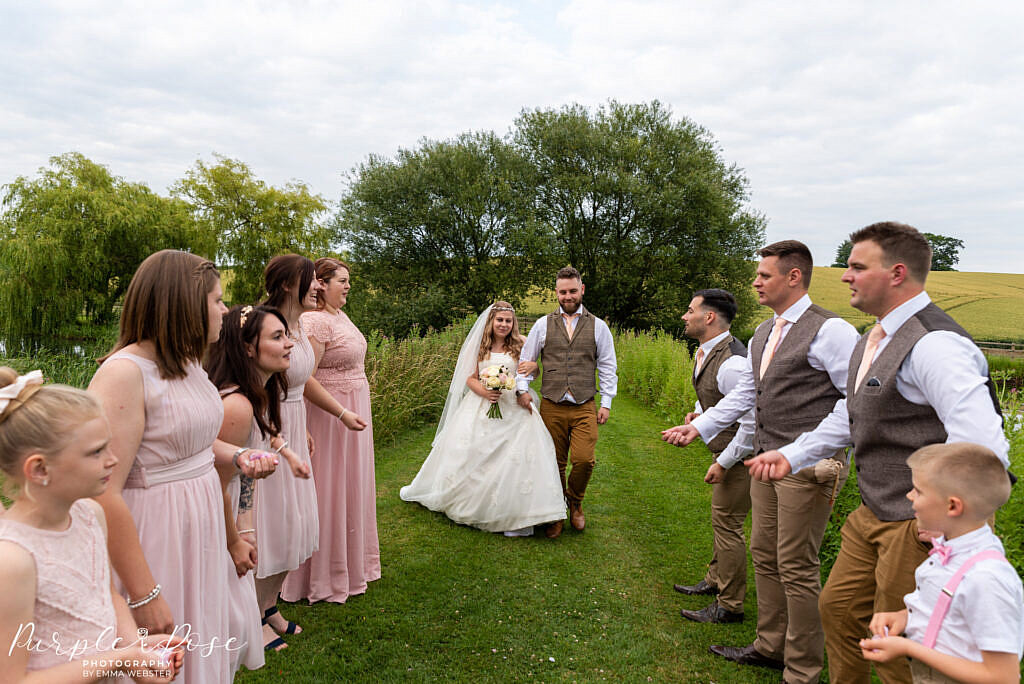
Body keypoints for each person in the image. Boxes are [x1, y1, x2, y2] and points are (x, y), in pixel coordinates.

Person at [746, 222, 1010, 683]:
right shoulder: (875, 337)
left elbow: (982, 445)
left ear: (896, 273)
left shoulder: (935, 344)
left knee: (904, 647)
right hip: (873, 509)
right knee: (841, 612)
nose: (845, 275)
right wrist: (794, 454)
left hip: (918, 522)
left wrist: (953, 524)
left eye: (856, 267)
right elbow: (851, 415)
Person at [664, 240, 858, 684]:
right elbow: (748, 394)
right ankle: (771, 647)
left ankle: (803, 669)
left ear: (794, 277)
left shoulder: (832, 331)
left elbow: (852, 402)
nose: (755, 282)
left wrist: (799, 452)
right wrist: (701, 426)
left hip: (809, 466)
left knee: (796, 564)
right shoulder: (763, 334)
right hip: (766, 462)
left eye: (764, 275)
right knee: (764, 554)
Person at [89, 249, 276, 684]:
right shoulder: (124, 374)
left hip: (203, 526)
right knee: (163, 660)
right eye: (216, 299)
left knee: (203, 648)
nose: (225, 309)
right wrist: (144, 593)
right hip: (155, 534)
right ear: (183, 304)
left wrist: (236, 458)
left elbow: (190, 449)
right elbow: (101, 490)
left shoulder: (188, 364)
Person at [0, 368, 184, 683]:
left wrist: (135, 651)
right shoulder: (13, 561)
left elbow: (108, 595)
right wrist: (120, 658)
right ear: (40, 469)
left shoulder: (89, 515)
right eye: (96, 451)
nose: (113, 460)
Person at [255, 254, 366, 637]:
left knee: (297, 525)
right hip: (270, 432)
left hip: (294, 426)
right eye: (312, 280)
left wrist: (339, 413)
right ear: (289, 286)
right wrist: (279, 433)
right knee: (272, 523)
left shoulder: (298, 326)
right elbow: (256, 387)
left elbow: (302, 380)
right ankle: (253, 618)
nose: (319, 286)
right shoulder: (263, 326)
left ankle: (269, 608)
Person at [859, 443, 1022, 683]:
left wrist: (908, 648)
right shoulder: (948, 550)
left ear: (953, 506)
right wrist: (905, 617)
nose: (909, 496)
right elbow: (952, 610)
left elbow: (1002, 676)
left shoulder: (986, 579)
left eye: (918, 491)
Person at [400, 302, 566, 535]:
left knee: (521, 456)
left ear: (513, 323)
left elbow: (533, 372)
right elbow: (470, 378)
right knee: (475, 452)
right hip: (482, 403)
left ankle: (521, 512)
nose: (504, 325)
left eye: (508, 321)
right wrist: (486, 392)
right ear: (491, 321)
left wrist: (531, 371)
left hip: (514, 404)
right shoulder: (480, 346)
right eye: (500, 320)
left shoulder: (522, 343)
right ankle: (473, 502)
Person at [207, 305, 312, 660]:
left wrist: (247, 524)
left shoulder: (260, 393)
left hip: (235, 508)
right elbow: (218, 486)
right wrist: (236, 536)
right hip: (218, 517)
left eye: (287, 335)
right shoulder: (235, 406)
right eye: (277, 337)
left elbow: (248, 462)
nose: (289, 345)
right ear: (248, 348)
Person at [282, 258, 381, 604]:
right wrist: (340, 413)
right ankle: (321, 574)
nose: (349, 286)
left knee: (352, 484)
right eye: (343, 280)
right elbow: (304, 375)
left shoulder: (340, 316)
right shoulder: (314, 321)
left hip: (353, 405)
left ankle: (353, 565)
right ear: (322, 284)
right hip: (329, 414)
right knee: (329, 486)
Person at [670, 289, 754, 625]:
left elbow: (750, 421)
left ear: (709, 317)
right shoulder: (707, 352)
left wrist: (724, 462)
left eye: (689, 310)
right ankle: (715, 579)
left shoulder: (733, 362)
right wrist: (697, 417)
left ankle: (730, 604)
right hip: (729, 450)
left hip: (742, 456)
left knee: (728, 522)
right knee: (723, 519)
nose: (684, 316)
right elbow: (716, 401)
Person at [516, 267, 618, 538]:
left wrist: (606, 402)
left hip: (585, 404)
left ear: (582, 290)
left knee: (584, 460)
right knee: (554, 462)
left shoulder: (599, 326)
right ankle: (558, 510)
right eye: (563, 292)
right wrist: (522, 390)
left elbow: (608, 365)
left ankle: (575, 500)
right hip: (552, 403)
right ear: (557, 293)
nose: (568, 296)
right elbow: (525, 362)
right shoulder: (542, 324)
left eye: (573, 291)